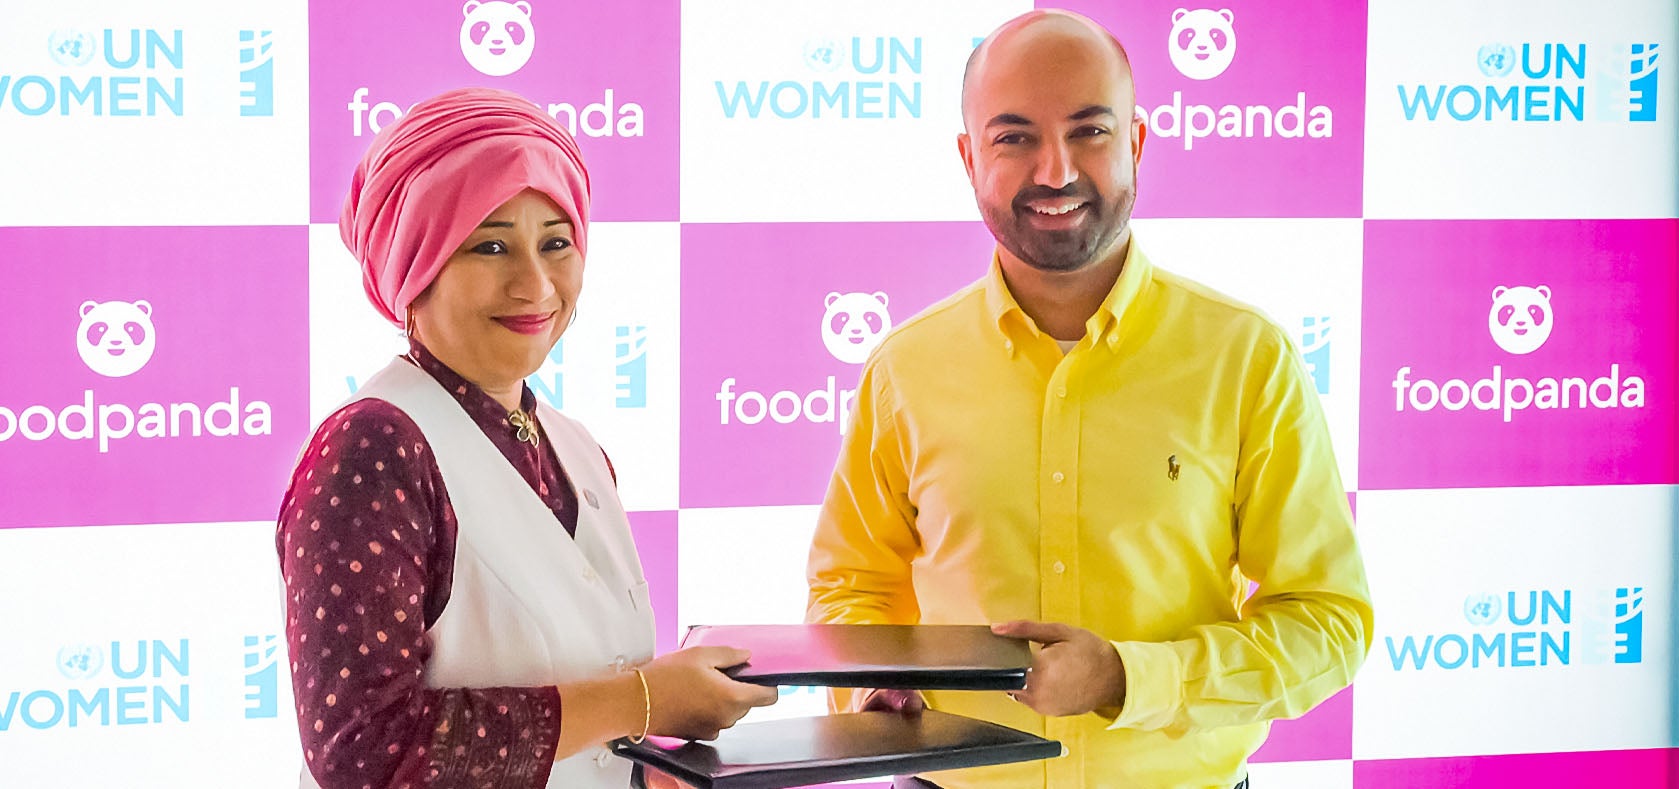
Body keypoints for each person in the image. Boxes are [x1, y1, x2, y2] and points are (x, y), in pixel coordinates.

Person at [804, 10, 1373, 789]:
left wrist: (1127, 678)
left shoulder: (1245, 357)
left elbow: (1326, 621)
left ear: (1135, 142)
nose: (1054, 171)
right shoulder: (906, 367)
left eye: (1089, 132)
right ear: (970, 158)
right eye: (1014, 137)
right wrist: (868, 682)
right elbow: (853, 582)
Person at [276, 87, 776, 789]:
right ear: (412, 264)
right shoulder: (374, 446)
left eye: (556, 243)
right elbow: (362, 752)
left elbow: (590, 716)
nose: (535, 283)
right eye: (490, 245)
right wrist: (643, 698)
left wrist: (655, 761)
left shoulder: (577, 451)